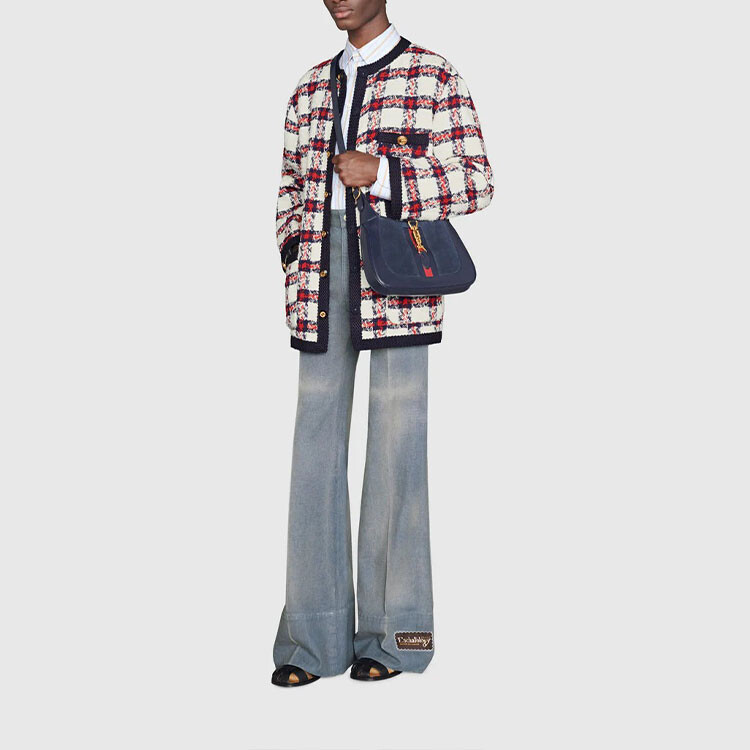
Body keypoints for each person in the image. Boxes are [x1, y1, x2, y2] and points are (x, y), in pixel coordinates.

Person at [272, 0, 494, 687]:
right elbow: (289, 187)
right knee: (314, 452)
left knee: (398, 449)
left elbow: (477, 181)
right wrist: (294, 253)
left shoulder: (433, 74)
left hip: (400, 272)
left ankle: (398, 636)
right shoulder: (310, 86)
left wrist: (386, 174)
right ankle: (311, 640)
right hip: (322, 274)